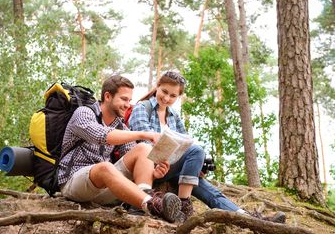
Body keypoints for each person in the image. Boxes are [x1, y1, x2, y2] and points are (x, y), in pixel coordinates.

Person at [129, 71, 286, 223]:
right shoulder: (142, 108)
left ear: (178, 97)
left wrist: (195, 165)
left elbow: (185, 143)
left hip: (171, 168)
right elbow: (145, 143)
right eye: (164, 91)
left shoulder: (174, 116)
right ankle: (184, 204)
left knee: (210, 190)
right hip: (149, 170)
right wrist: (189, 157)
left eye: (173, 96)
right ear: (158, 85)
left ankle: (248, 218)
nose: (167, 98)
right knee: (197, 150)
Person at [57, 75, 183, 223]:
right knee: (105, 167)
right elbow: (101, 135)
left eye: (129, 100)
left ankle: (140, 208)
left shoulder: (120, 126)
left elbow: (135, 159)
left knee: (144, 148)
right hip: (74, 183)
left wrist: (153, 173)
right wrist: (144, 133)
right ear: (108, 96)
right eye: (124, 99)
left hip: (104, 188)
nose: (128, 105)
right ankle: (153, 205)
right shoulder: (84, 113)